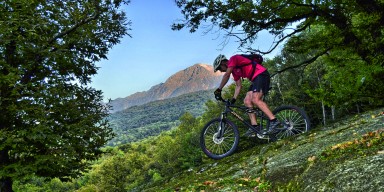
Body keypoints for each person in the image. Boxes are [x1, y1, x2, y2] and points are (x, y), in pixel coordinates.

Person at [212, 54, 279, 135]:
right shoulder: (234, 72)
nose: (221, 71)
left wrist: (219, 89)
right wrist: (233, 99)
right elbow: (238, 86)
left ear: (223, 63)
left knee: (255, 99)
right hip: (255, 79)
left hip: (261, 74)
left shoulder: (233, 59)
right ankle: (255, 126)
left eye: (219, 68)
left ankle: (274, 121)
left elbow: (226, 75)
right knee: (247, 101)